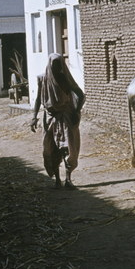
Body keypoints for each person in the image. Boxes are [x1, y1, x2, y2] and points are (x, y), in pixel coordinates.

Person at [30, 53, 85, 188]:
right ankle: (57, 180)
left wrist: (76, 111)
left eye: (59, 64)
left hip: (65, 117)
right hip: (49, 118)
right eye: (54, 64)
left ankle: (68, 179)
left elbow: (80, 94)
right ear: (49, 64)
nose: (57, 67)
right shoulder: (42, 79)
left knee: (66, 148)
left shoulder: (65, 78)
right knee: (51, 149)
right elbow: (38, 99)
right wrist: (34, 117)